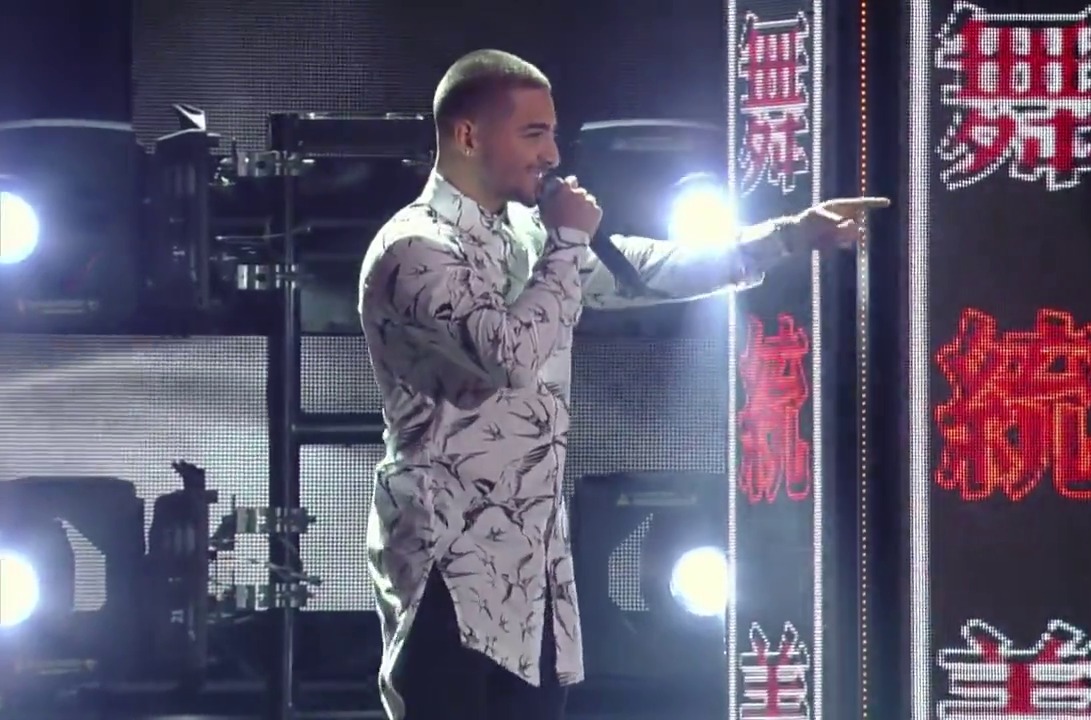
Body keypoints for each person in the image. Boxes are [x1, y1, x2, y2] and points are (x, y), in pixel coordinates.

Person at [358, 49, 889, 720]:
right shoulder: (415, 249)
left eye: (553, 134)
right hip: (447, 548)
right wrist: (567, 244)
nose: (552, 155)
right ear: (468, 135)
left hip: (532, 551)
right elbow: (511, 356)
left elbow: (644, 269)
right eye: (533, 134)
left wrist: (785, 236)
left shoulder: (527, 234)